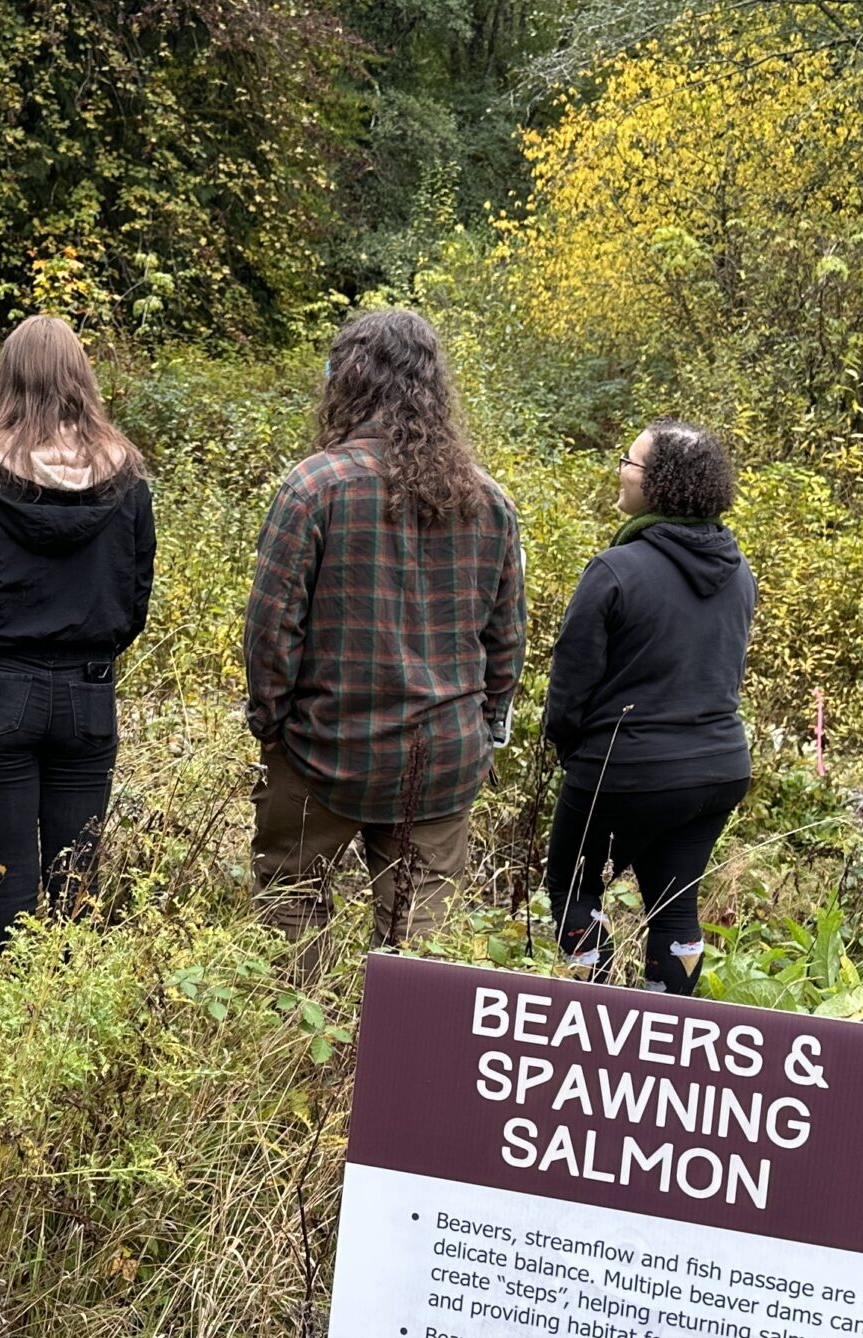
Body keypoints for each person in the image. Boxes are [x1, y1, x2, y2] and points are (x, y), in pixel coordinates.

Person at [242, 309, 524, 971]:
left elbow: (269, 634)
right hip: (442, 756)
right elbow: (506, 640)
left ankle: (296, 1057)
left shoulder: (311, 489)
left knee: (292, 896)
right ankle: (410, 1064)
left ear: (350, 381)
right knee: (423, 932)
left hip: (324, 746)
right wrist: (485, 729)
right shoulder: (490, 502)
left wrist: (272, 724)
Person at [0, 315, 156, 953]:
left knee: (7, 873)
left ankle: (10, 1025)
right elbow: (135, 599)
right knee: (75, 878)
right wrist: (93, 651)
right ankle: (64, 1018)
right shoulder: (126, 474)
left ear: (7, 379)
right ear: (81, 378)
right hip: (88, 689)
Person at [541, 419, 756, 996]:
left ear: (659, 484)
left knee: (572, 892)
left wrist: (571, 752)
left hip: (625, 768)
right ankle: (666, 1032)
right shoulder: (739, 573)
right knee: (675, 905)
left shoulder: (615, 570)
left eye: (628, 463)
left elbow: (569, 688)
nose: (620, 471)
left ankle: (591, 1018)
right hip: (718, 770)